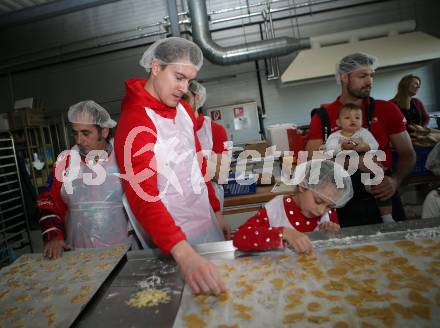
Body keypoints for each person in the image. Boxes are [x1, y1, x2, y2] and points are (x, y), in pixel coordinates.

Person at [114, 37, 229, 295]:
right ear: (156, 67)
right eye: (178, 77)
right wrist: (183, 253)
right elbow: (143, 196)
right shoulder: (135, 122)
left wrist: (215, 210)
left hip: (206, 223)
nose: (184, 88)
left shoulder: (184, 111)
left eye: (189, 80)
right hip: (174, 242)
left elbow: (198, 167)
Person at [305, 52, 416, 227]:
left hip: (383, 195)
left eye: (372, 75)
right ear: (344, 78)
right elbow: (312, 161)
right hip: (342, 202)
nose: (369, 81)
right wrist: (354, 162)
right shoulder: (323, 116)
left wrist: (395, 181)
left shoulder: (387, 109)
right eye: (362, 76)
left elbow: (408, 154)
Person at [37, 100, 134, 259]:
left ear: (104, 131)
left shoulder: (123, 158)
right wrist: (53, 236)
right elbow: (48, 201)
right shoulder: (65, 163)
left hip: (122, 251)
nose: (78, 140)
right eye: (75, 133)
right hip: (78, 254)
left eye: (85, 133)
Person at [233, 159, 353, 253]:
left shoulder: (328, 212)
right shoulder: (275, 210)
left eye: (330, 206)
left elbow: (332, 246)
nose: (322, 211)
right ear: (302, 186)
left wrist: (330, 233)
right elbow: (240, 237)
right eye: (318, 201)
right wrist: (283, 233)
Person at [324, 102, 393, 223]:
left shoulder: (364, 133)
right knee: (335, 188)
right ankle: (333, 218)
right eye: (347, 118)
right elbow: (329, 150)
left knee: (380, 185)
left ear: (362, 121)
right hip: (345, 171)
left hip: (366, 168)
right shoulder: (335, 136)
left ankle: (387, 216)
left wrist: (366, 146)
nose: (353, 120)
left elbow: (375, 145)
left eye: (357, 117)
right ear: (338, 122)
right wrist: (342, 147)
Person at [182, 80, 230, 210]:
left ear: (197, 98)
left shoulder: (215, 130)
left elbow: (221, 174)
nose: (179, 103)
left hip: (210, 203)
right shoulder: (169, 130)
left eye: (184, 97)